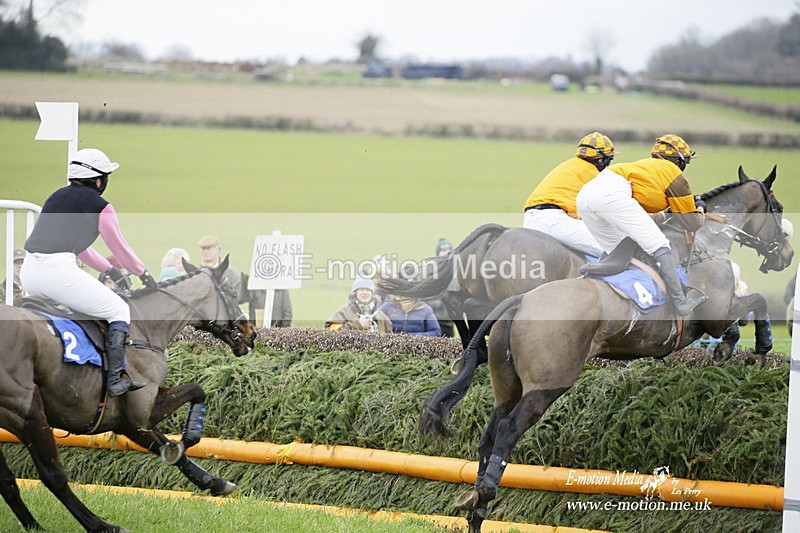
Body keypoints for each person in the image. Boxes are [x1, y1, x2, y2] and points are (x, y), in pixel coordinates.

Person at [20, 147, 156, 396]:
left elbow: (81, 249)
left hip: (29, 272)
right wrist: (143, 273)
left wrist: (111, 271)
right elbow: (119, 247)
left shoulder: (55, 197)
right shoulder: (101, 206)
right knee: (118, 309)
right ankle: (115, 379)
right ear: (98, 179)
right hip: (58, 273)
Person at [576, 134, 706, 316]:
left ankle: (597, 269)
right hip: (610, 197)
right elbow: (692, 223)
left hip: (584, 197)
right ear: (679, 161)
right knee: (659, 244)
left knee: (622, 244)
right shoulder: (673, 173)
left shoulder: (641, 167)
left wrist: (668, 212)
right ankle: (681, 302)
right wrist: (700, 209)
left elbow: (641, 217)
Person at [522, 132, 617, 257]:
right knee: (612, 247)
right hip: (553, 219)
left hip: (531, 219)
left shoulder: (570, 164)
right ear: (601, 160)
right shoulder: (592, 173)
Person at [380, 264, 441, 336]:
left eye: (411, 285)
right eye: (404, 284)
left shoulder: (425, 309)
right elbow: (377, 331)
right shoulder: (386, 307)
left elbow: (436, 332)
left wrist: (410, 337)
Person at [325, 276, 392, 332]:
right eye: (361, 289)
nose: (365, 292)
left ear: (372, 294)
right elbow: (330, 333)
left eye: (368, 290)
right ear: (355, 293)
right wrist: (358, 325)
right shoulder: (343, 312)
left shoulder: (381, 316)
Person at [427, 238, 455, 337]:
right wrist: (438, 304)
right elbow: (425, 296)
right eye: (443, 251)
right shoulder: (430, 272)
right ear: (438, 253)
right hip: (434, 321)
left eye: (449, 250)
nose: (446, 253)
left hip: (449, 322)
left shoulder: (456, 272)